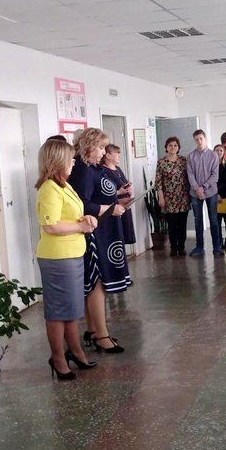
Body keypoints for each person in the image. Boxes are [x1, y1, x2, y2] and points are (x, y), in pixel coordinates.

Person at [35, 137, 98, 381]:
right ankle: (58, 358)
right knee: (58, 311)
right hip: (57, 258)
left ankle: (76, 351)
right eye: (70, 159)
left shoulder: (63, 185)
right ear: (57, 161)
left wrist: (86, 219)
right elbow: (50, 226)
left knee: (72, 309)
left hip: (72, 254)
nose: (73, 162)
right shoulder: (48, 188)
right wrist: (80, 227)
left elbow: (71, 215)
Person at [68, 127, 130, 354]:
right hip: (95, 232)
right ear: (89, 146)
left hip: (104, 229)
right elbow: (81, 203)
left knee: (97, 283)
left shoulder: (92, 167)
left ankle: (94, 330)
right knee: (97, 283)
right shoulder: (82, 169)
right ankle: (101, 335)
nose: (104, 152)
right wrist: (109, 208)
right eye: (101, 148)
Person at [187, 129, 223, 257]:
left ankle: (216, 247)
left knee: (213, 219)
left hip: (210, 192)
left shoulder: (213, 155)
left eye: (201, 139)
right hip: (195, 193)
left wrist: (203, 187)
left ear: (205, 139)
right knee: (198, 220)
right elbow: (190, 175)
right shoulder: (190, 156)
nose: (199, 141)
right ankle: (199, 246)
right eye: (196, 140)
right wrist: (197, 189)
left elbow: (215, 176)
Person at [155, 136, 189, 257]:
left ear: (178, 147)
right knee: (172, 225)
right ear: (166, 147)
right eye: (170, 145)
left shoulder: (184, 160)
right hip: (168, 198)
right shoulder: (161, 162)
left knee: (182, 224)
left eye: (175, 145)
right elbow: (158, 182)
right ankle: (173, 247)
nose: (173, 147)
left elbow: (190, 177)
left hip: (183, 197)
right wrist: (160, 197)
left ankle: (182, 246)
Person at [102, 143, 135, 245]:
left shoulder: (118, 169)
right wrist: (119, 192)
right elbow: (104, 193)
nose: (119, 156)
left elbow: (124, 183)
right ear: (108, 155)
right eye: (116, 153)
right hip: (114, 207)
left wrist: (129, 190)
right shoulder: (103, 171)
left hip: (125, 206)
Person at [214, 143, 226, 248]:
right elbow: (211, 182)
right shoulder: (211, 166)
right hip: (215, 195)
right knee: (217, 220)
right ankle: (219, 241)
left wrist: (222, 194)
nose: (219, 152)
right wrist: (217, 194)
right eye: (217, 150)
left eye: (221, 150)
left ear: (224, 152)